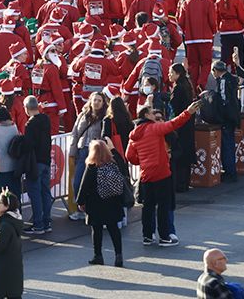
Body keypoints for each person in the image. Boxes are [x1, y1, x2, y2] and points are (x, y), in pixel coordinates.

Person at [126, 99, 200, 247]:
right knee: (163, 206)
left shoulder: (133, 135)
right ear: (146, 115)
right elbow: (174, 124)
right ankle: (165, 237)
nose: (155, 115)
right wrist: (188, 112)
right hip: (161, 171)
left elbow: (130, 157)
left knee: (148, 207)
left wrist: (143, 160)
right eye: (152, 112)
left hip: (146, 174)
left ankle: (147, 236)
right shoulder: (154, 128)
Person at [75, 139, 126, 267]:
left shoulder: (92, 167)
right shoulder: (114, 163)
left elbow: (84, 186)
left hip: (96, 203)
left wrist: (80, 201)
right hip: (113, 202)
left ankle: (98, 255)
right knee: (114, 229)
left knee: (96, 230)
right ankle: (118, 256)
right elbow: (124, 166)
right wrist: (113, 149)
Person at [70, 92, 108, 221]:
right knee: (78, 182)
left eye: (99, 100)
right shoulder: (83, 115)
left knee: (93, 183)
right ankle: (80, 208)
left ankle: (92, 210)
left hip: (96, 153)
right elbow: (75, 133)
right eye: (94, 100)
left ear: (103, 103)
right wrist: (72, 150)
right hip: (82, 151)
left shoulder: (105, 118)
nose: (96, 102)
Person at [203, 60, 240, 182]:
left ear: (215, 70)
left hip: (227, 117)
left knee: (227, 144)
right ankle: (231, 170)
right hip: (234, 115)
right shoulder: (232, 78)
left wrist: (220, 115)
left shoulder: (223, 81)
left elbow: (224, 100)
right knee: (230, 143)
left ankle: (230, 172)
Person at [22, 95, 53, 235]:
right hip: (46, 160)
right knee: (46, 192)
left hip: (35, 163)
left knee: (35, 193)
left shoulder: (30, 124)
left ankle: (38, 224)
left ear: (27, 109)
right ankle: (47, 222)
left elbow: (28, 145)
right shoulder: (46, 120)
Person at [168, 63, 196, 192]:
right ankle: (185, 183)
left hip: (180, 125)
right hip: (188, 125)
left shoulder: (178, 88)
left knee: (178, 154)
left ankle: (179, 184)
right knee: (186, 155)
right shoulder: (187, 85)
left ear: (178, 74)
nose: (169, 75)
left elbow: (173, 106)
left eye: (171, 73)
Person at [0, 105, 21, 199]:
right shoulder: (14, 126)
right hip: (15, 164)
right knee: (16, 192)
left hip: (2, 166)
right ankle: (18, 211)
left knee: (5, 194)